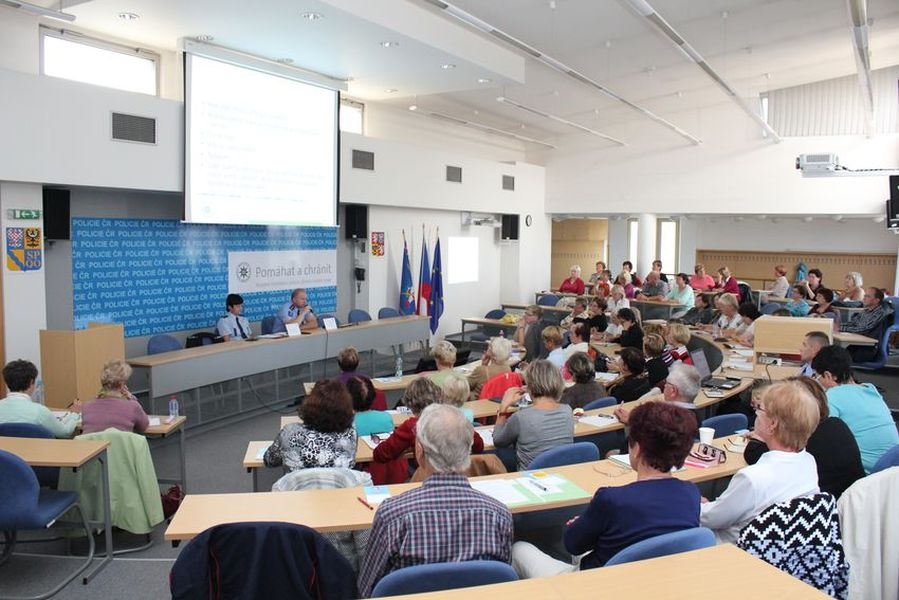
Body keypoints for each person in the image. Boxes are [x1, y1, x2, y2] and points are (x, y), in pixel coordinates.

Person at [511, 402, 699, 577]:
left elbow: (572, 545)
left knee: (518, 549)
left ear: (637, 449)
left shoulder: (612, 499)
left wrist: (580, 523)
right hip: (656, 580)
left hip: (595, 583)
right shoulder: (691, 493)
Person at [357, 404, 513, 597]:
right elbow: (502, 584)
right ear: (468, 450)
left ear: (420, 453)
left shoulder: (392, 515)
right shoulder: (500, 515)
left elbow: (367, 589)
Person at [700, 381, 820, 543]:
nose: (755, 413)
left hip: (734, 550)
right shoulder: (808, 462)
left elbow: (710, 519)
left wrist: (700, 506)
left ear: (772, 424)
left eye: (759, 409)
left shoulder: (752, 478)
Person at [743, 376, 864, 499]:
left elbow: (752, 455)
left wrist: (760, 434)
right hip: (854, 502)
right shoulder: (836, 424)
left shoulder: (802, 440)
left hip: (830, 510)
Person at [811, 345, 899, 472]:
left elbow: (822, 436)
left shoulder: (833, 395)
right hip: (893, 465)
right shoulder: (870, 389)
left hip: (868, 473)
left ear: (828, 375)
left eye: (816, 376)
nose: (815, 380)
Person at [373, 378, 484, 464]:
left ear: (409, 404)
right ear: (438, 395)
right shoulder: (454, 417)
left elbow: (381, 454)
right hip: (458, 470)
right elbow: (479, 446)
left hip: (427, 474)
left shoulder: (411, 426)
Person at [492, 360, 575, 470]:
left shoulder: (521, 417)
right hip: (561, 474)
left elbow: (498, 440)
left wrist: (503, 407)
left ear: (530, 386)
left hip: (530, 478)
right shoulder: (567, 411)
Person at [264, 379, 357, 471]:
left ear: (309, 404)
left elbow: (269, 460)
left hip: (297, 485)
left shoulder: (290, 432)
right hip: (340, 485)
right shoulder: (350, 435)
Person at [0, 359, 80, 437]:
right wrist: (75, 414)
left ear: (7, 382)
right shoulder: (39, 411)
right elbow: (65, 433)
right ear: (31, 382)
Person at [613, 362, 702, 424]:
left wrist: (632, 419)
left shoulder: (665, 420)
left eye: (666, 383)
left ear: (673, 391)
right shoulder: (696, 416)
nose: (664, 386)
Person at [81, 359, 149, 434]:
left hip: (94, 445)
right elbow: (143, 426)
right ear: (121, 385)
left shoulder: (87, 406)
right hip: (120, 445)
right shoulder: (133, 406)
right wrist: (131, 398)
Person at [468, 336, 512, 400]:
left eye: (490, 346)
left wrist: (482, 366)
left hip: (478, 402)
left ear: (493, 353)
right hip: (496, 401)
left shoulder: (482, 371)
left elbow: (465, 385)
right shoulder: (508, 369)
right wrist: (484, 365)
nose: (488, 347)